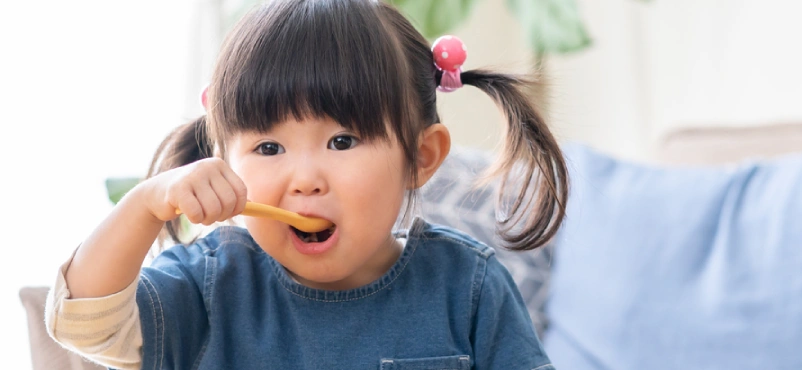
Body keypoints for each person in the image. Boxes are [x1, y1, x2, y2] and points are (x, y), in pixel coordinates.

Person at [45, 0, 568, 369]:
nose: (305, 180)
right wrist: (144, 204)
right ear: (224, 161)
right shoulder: (207, 284)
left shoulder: (466, 288)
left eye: (342, 142)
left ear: (420, 158)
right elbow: (84, 324)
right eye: (268, 149)